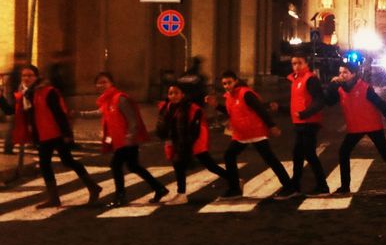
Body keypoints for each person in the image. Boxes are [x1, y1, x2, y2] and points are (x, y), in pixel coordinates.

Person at [7, 64, 101, 207]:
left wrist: (67, 134)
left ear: (36, 77)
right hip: (41, 135)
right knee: (47, 165)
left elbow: (59, 113)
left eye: (30, 75)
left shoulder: (48, 92)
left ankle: (92, 187)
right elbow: (18, 113)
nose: (26, 78)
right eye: (24, 75)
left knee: (67, 161)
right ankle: (55, 197)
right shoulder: (25, 94)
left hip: (54, 133)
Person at [74, 72, 168, 206]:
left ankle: (121, 196)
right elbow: (98, 113)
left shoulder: (120, 99)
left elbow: (133, 120)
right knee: (133, 166)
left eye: (104, 82)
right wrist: (78, 114)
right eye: (98, 83)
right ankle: (159, 188)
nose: (101, 85)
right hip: (120, 141)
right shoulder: (107, 100)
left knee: (116, 165)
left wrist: (129, 137)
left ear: (112, 83)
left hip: (126, 141)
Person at [207, 71, 294, 200]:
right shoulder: (230, 96)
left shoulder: (245, 93)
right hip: (241, 134)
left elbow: (260, 109)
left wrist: (272, 126)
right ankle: (235, 188)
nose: (227, 86)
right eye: (224, 84)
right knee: (229, 156)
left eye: (229, 83)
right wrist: (216, 106)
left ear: (235, 81)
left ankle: (289, 187)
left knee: (270, 159)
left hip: (255, 132)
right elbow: (231, 112)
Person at [326, 62, 386, 194]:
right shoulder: (339, 89)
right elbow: (328, 102)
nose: (341, 75)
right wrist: (332, 86)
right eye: (340, 72)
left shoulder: (364, 88)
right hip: (355, 127)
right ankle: (345, 187)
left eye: (345, 72)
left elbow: (380, 104)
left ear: (353, 74)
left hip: (372, 126)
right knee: (343, 152)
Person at [155, 81, 228, 204]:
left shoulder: (192, 109)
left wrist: (183, 147)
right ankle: (181, 194)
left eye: (176, 93)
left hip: (194, 141)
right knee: (179, 166)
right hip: (178, 141)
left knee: (209, 165)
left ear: (183, 94)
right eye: (170, 93)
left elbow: (194, 131)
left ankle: (182, 195)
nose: (173, 96)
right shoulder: (166, 108)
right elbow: (162, 126)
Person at [287, 54, 330, 196]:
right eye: (294, 63)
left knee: (308, 154)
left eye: (299, 62)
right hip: (300, 122)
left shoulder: (310, 79)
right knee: (298, 155)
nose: (296, 66)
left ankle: (322, 186)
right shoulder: (295, 80)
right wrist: (280, 109)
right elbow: (296, 102)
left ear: (306, 63)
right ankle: (296, 186)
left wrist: (305, 114)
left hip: (310, 122)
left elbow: (319, 101)